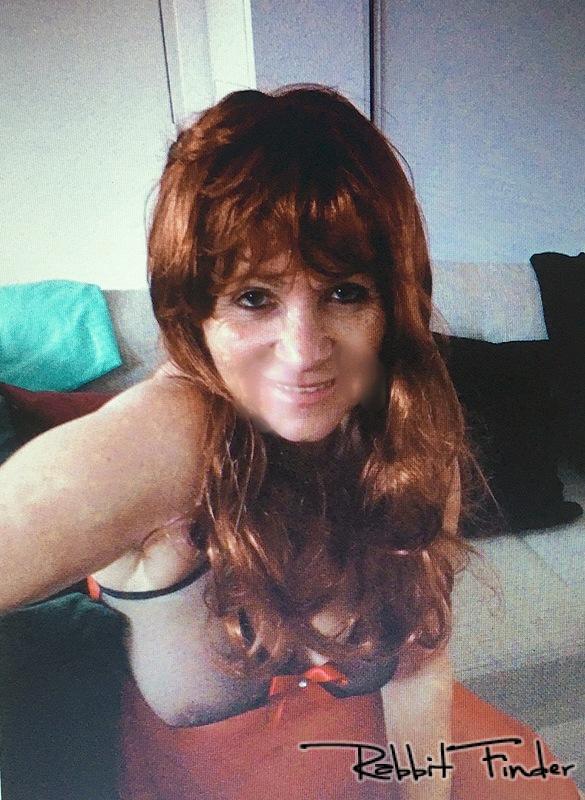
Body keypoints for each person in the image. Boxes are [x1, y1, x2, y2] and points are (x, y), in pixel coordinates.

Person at [0, 85, 579, 800]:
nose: (304, 352)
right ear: (193, 308)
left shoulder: (408, 434)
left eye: (344, 292)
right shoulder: (166, 438)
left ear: (391, 302)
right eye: (254, 298)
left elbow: (419, 672)